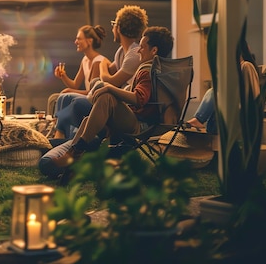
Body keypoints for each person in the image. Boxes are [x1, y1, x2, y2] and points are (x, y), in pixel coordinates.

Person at [39, 26, 173, 179]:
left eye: (142, 47)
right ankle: (72, 157)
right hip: (137, 119)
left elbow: (138, 98)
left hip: (141, 125)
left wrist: (109, 88)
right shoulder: (155, 69)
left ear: (154, 50)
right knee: (87, 119)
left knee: (106, 96)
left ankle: (74, 154)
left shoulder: (148, 71)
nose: (138, 50)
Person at [52, 5, 148, 139]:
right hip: (114, 101)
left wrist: (102, 64)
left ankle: (64, 138)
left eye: (114, 24)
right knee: (68, 96)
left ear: (118, 28)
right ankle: (62, 137)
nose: (112, 28)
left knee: (77, 100)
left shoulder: (133, 55)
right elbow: (107, 74)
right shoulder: (121, 52)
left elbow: (109, 80)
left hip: (124, 107)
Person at [49, 25, 107, 138]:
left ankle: (59, 133)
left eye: (79, 39)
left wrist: (68, 90)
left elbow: (92, 92)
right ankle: (60, 131)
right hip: (89, 96)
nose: (76, 42)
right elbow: (75, 84)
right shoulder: (85, 60)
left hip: (97, 101)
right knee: (64, 94)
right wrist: (63, 76)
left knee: (65, 95)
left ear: (89, 41)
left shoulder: (98, 62)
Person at [185, 48, 260, 134]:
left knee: (213, 92)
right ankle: (199, 121)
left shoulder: (246, 66)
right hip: (225, 117)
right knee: (214, 93)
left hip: (242, 113)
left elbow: (254, 95)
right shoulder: (233, 72)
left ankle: (198, 120)